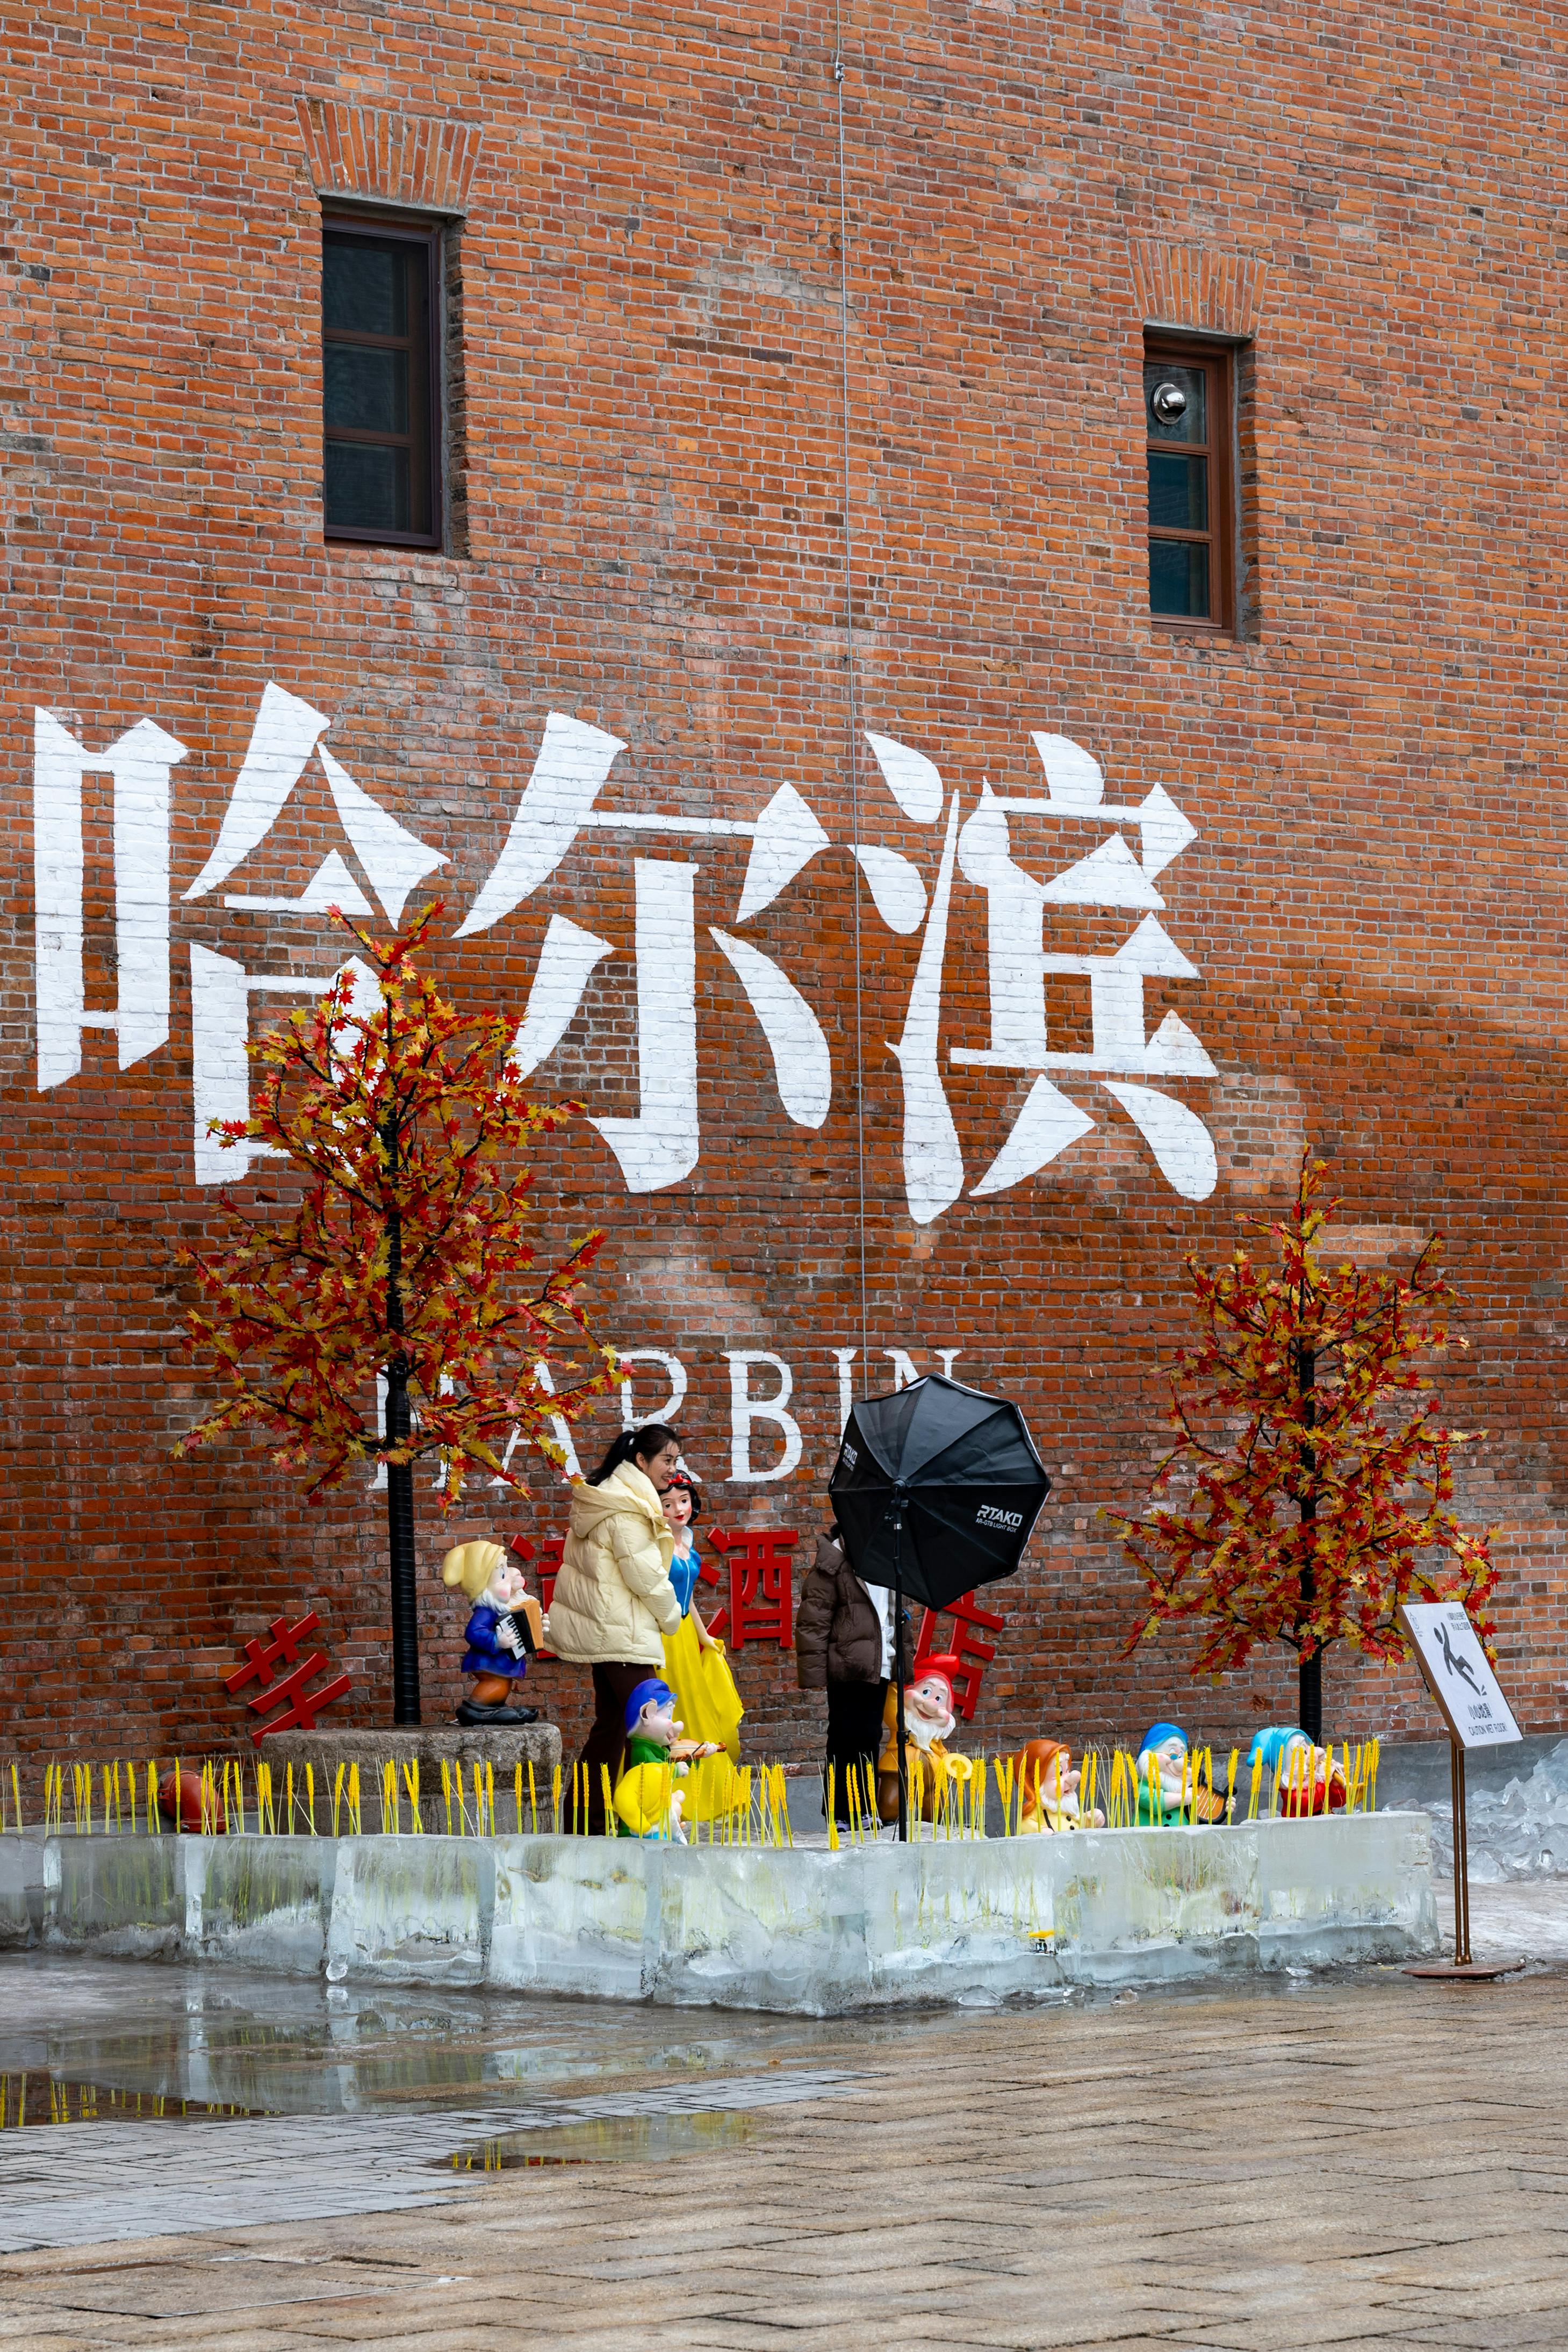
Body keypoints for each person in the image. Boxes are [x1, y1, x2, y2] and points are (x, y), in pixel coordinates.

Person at [546, 1423, 684, 1834]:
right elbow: (644, 1574)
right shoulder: (626, 1508)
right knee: (650, 1727)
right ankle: (642, 1824)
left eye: (675, 1460)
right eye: (667, 1459)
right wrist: (672, 1616)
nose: (672, 1468)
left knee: (611, 1730)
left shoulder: (608, 1499)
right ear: (641, 1460)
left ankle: (584, 1826)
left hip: (610, 1631)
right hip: (623, 1635)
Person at [795, 1519, 911, 1829]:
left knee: (870, 1737)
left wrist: (903, 1659)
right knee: (846, 1736)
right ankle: (840, 1813)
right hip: (847, 1664)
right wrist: (815, 1674)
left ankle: (864, 1808)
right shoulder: (833, 1560)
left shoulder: (890, 1559)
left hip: (879, 1662)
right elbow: (813, 1619)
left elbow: (895, 1615)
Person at [659, 1471, 743, 1821]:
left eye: (683, 1500)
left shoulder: (686, 1542)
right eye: (667, 1503)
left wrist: (704, 1634)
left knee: (696, 1702)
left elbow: (688, 1596)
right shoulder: (659, 1543)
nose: (678, 1508)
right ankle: (670, 1795)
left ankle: (706, 1792)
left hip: (684, 1633)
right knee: (672, 1705)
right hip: (663, 1634)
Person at [440, 1538, 543, 1727]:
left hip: (501, 1665)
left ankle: (494, 1709)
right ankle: (474, 1708)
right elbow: (473, 1633)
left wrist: (539, 1625)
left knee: (503, 1686)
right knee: (496, 1685)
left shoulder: (506, 1608)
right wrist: (497, 1640)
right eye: (503, 1574)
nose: (513, 1578)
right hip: (489, 1663)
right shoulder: (486, 1612)